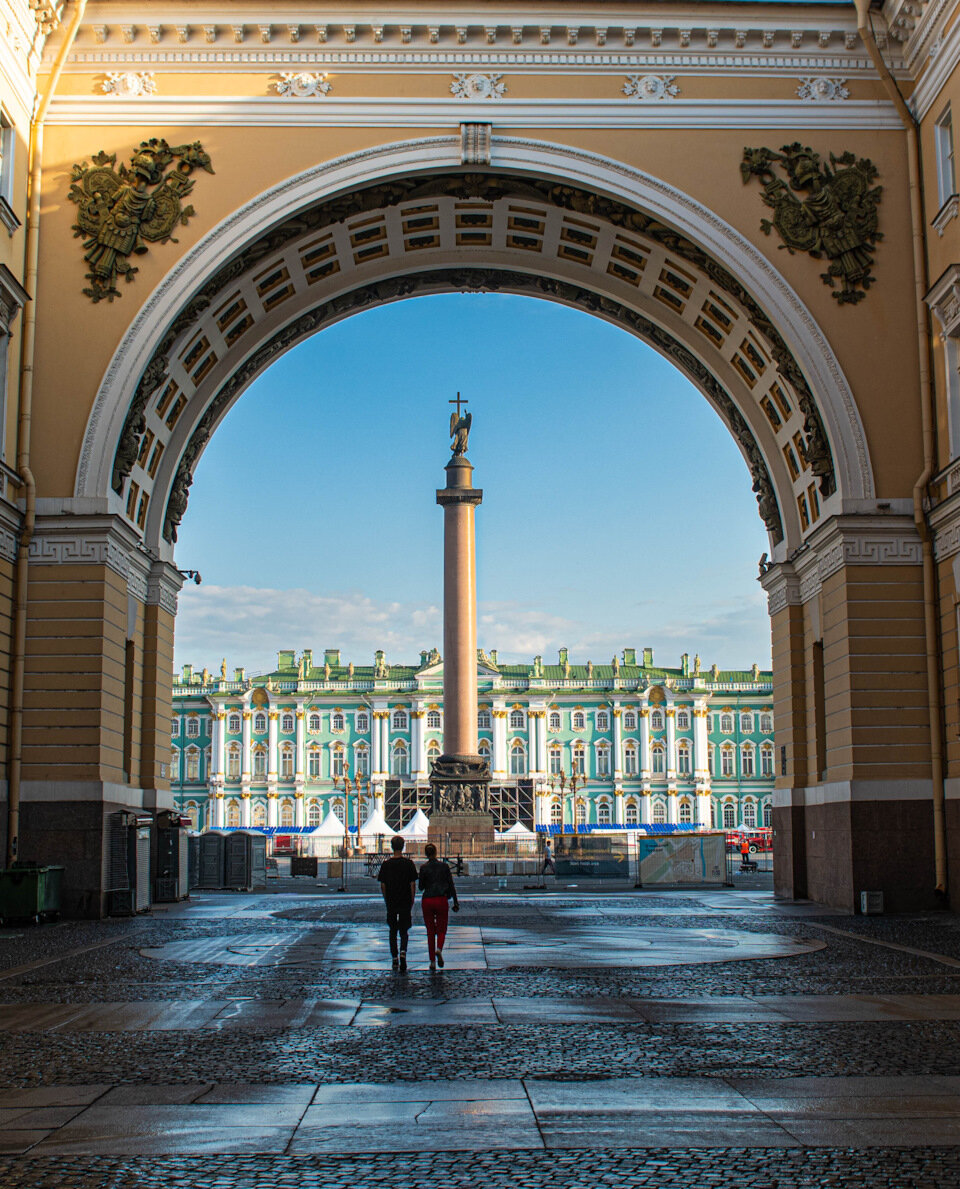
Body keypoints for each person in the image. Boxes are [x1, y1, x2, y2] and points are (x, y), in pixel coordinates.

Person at [378, 835, 418, 972]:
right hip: (405, 900)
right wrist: (412, 899)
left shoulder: (386, 865)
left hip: (391, 901)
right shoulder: (409, 864)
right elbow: (413, 884)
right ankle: (403, 952)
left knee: (392, 930)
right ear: (403, 846)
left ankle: (394, 957)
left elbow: (382, 885)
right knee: (404, 930)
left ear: (391, 846)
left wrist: (386, 898)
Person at [418, 842, 459, 971]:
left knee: (430, 931)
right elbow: (451, 885)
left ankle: (432, 962)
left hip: (428, 900)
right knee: (441, 930)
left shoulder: (424, 868)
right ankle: (439, 949)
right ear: (436, 853)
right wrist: (456, 901)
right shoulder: (444, 867)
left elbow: (420, 887)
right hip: (441, 899)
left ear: (426, 854)